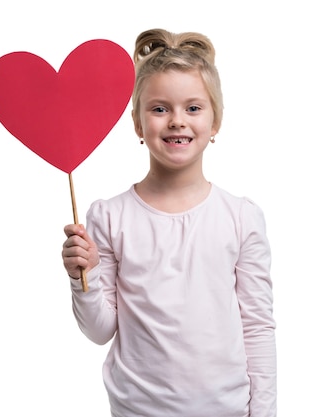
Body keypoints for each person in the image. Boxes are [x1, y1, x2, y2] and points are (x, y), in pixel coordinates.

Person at [61, 28, 276, 417]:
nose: (177, 121)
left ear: (216, 123)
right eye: (159, 109)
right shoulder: (109, 217)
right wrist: (83, 277)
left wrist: (264, 412)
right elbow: (99, 331)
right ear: (139, 125)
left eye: (193, 108)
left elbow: (257, 328)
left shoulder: (241, 217)